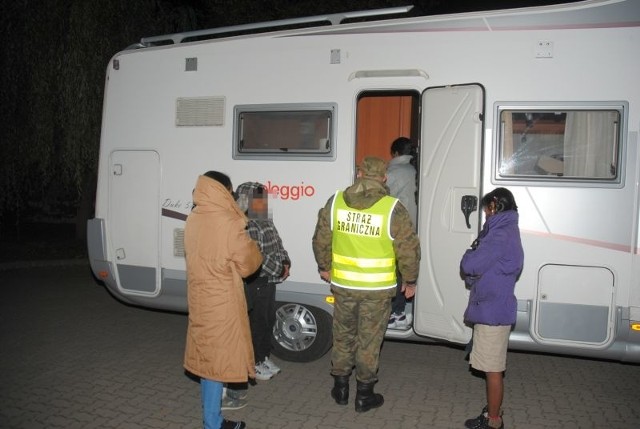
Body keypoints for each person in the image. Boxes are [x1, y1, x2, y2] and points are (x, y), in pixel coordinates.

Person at [312, 156, 421, 413]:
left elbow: (320, 239)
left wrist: (324, 266)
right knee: (369, 341)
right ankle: (364, 396)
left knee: (343, 336)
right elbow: (408, 249)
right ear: (384, 178)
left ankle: (340, 389)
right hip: (376, 291)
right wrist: (410, 279)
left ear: (359, 174)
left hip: (344, 286)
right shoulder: (392, 209)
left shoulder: (336, 201)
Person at [184, 171, 263, 429]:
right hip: (221, 302)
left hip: (199, 297)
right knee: (216, 362)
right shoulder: (229, 221)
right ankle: (213, 424)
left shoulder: (195, 216)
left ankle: (213, 419)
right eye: (230, 190)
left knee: (209, 359)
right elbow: (248, 265)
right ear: (224, 190)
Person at [460, 187, 524, 429]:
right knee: (491, 366)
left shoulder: (499, 234)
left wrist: (469, 252)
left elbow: (471, 264)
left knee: (493, 369)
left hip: (492, 311)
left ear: (496, 205)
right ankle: (492, 412)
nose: (486, 213)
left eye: (487, 208)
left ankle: (494, 421)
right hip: (495, 306)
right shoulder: (506, 229)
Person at [230, 182, 291, 388]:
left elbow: (278, 243)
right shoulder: (244, 222)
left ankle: (263, 357)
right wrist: (278, 269)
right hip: (255, 280)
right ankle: (253, 363)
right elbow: (255, 256)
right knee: (255, 323)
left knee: (266, 320)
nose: (262, 202)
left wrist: (286, 261)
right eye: (258, 198)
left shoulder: (264, 219)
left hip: (268, 280)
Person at [385, 137, 418, 330]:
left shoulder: (392, 173)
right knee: (406, 269)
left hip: (395, 229)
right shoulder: (415, 170)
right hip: (412, 226)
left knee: (394, 271)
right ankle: (401, 310)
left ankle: (394, 313)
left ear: (395, 153)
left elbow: (381, 199)